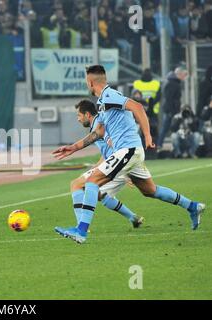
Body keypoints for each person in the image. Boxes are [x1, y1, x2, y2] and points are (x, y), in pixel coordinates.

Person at [53, 65, 205, 244]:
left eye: (86, 81)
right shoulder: (102, 103)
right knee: (151, 191)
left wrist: (148, 135)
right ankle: (192, 206)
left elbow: (137, 107)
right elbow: (98, 132)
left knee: (92, 181)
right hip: (130, 152)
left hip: (128, 150)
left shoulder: (110, 95)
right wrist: (73, 147)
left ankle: (81, 231)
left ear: (91, 82)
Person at [69, 100, 144, 228]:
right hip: (117, 162)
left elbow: (114, 144)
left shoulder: (99, 124)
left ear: (87, 114)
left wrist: (125, 170)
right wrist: (96, 167)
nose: (78, 119)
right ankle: (133, 218)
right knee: (100, 194)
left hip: (117, 164)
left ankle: (80, 227)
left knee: (76, 184)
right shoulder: (98, 123)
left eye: (79, 115)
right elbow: (107, 152)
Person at [157, 66, 189, 149]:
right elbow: (169, 99)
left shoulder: (172, 81)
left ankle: (160, 145)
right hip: (171, 110)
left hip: (171, 110)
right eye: (183, 75)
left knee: (168, 128)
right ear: (179, 74)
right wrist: (173, 111)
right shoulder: (172, 83)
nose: (184, 77)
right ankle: (159, 145)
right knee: (168, 128)